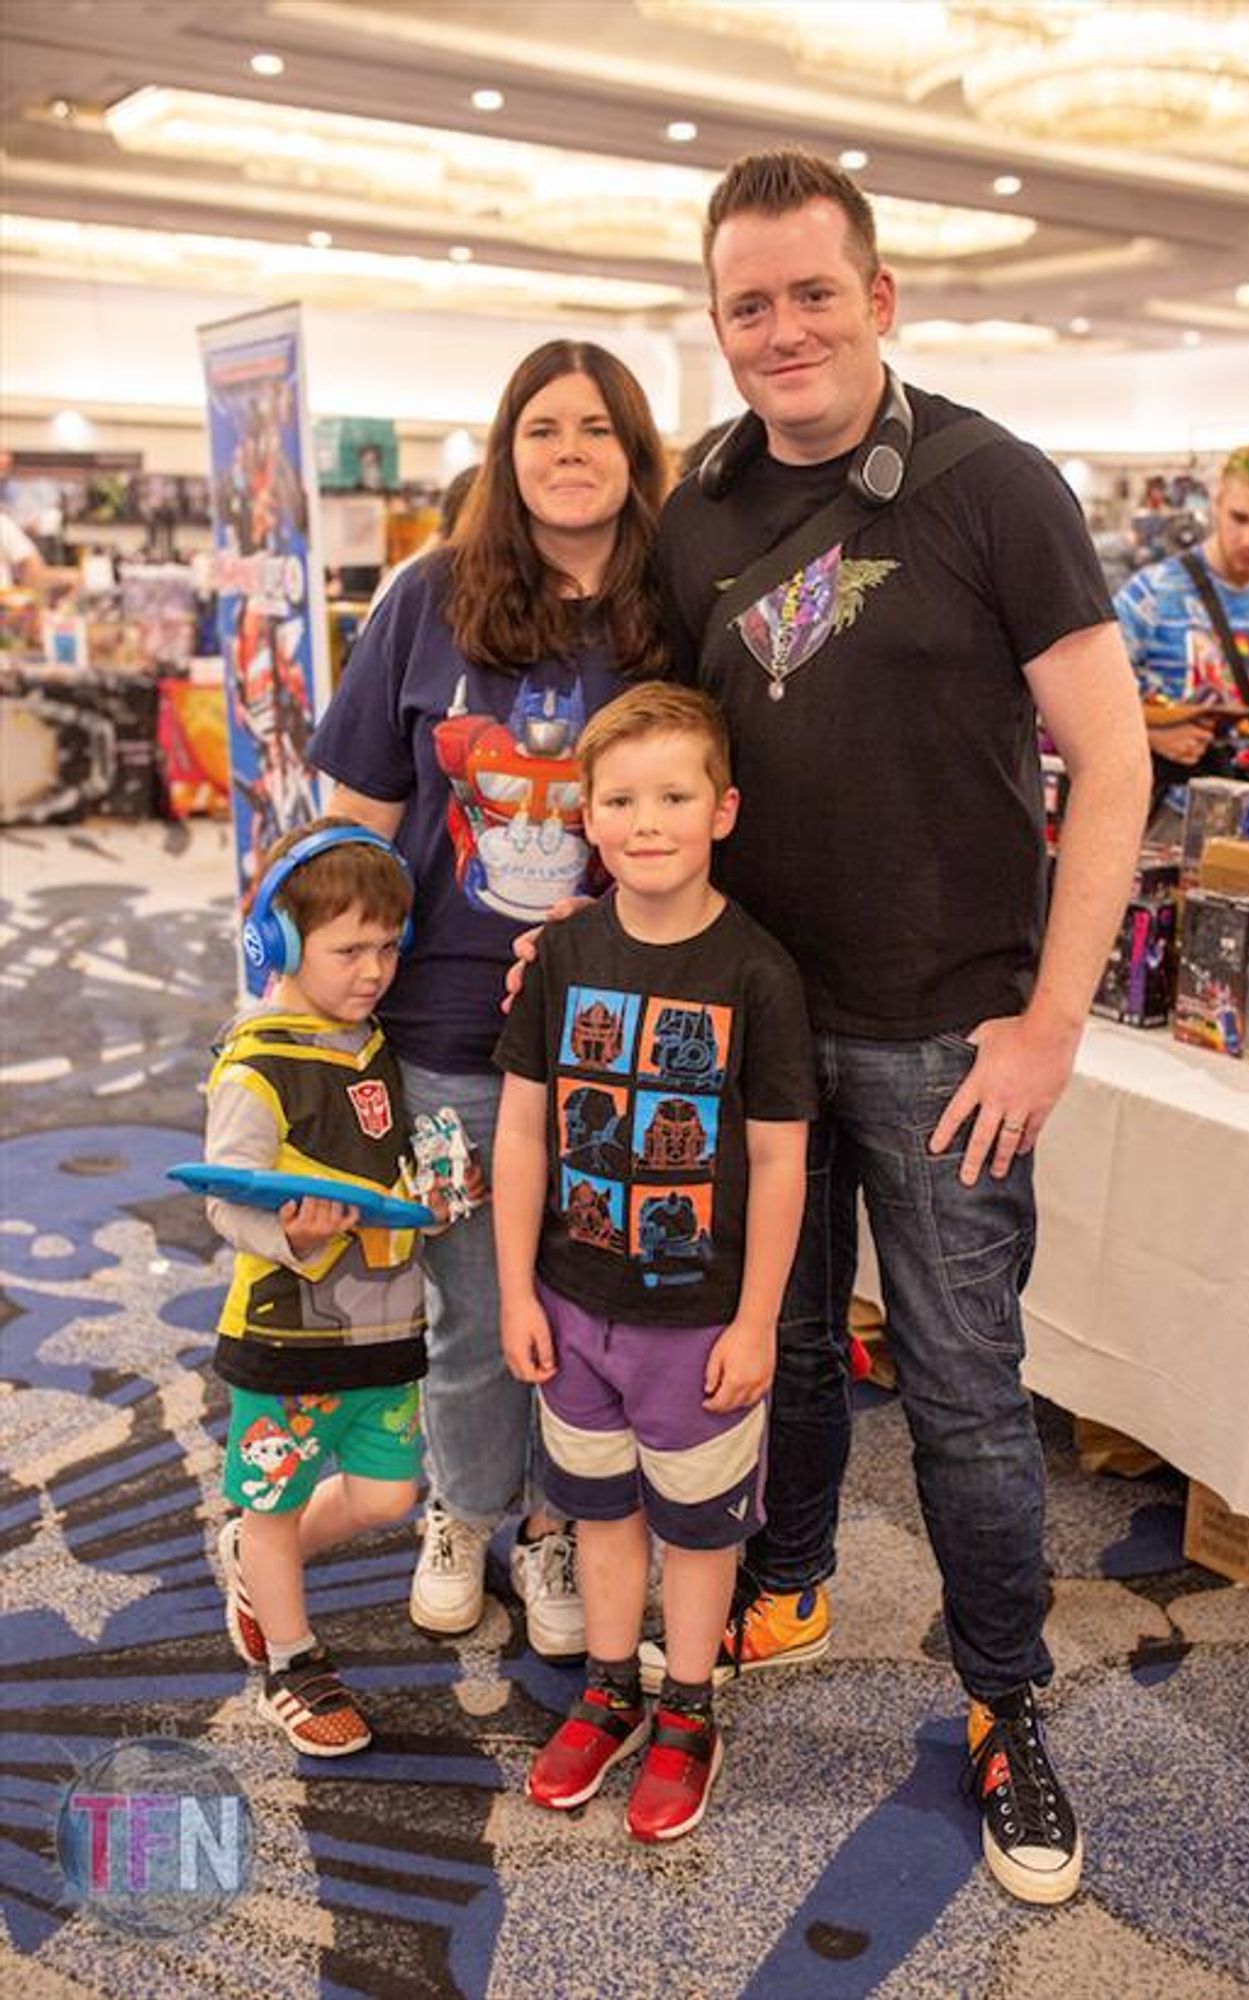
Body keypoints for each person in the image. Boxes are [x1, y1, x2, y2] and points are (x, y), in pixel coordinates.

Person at [640, 149, 1151, 1903]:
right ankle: (791, 1571)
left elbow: (1118, 757)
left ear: (882, 297)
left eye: (810, 292)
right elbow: (666, 752)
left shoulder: (995, 483)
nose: (780, 330)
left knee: (962, 1396)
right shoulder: (696, 508)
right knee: (776, 1351)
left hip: (949, 1043)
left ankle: (1007, 1703)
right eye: (746, 305)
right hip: (759, 1031)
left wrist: (1053, 1024)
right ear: (719, 324)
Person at [309, 341, 671, 1659]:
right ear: (504, 452)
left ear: (633, 454)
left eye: (595, 428)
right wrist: (316, 1010)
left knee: (588, 1313)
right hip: (446, 1029)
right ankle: (463, 1509)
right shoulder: (425, 600)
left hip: (620, 1036)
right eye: (540, 428)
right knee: (468, 1301)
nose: (568, 450)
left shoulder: (675, 614)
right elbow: (354, 820)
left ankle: (558, 1526)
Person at [492, 683, 814, 1841]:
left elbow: (782, 1163)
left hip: (700, 1315)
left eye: (674, 795)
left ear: (722, 809)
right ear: (585, 815)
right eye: (619, 798)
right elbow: (521, 1129)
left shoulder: (758, 974)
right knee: (600, 1510)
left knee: (699, 1521)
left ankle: (688, 1705)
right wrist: (515, 1285)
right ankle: (612, 1685)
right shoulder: (563, 953)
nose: (647, 820)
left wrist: (757, 1318)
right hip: (575, 1305)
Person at [206, 817, 480, 1755]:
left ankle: (254, 1558)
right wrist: (287, 1235)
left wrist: (433, 1193)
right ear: (280, 942)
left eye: (386, 949)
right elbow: (224, 1203)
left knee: (385, 1498)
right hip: (286, 1343)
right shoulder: (256, 1064)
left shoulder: (373, 1043)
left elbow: (390, 1161)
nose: (372, 970)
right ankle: (292, 1657)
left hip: (385, 1330)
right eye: (347, 949)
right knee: (275, 1501)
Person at [1114, 439, 1249, 834]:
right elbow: (1084, 700)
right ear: (1217, 503)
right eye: (1238, 517)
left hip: (1246, 810)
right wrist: (1151, 733)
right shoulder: (1152, 593)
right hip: (1153, 813)